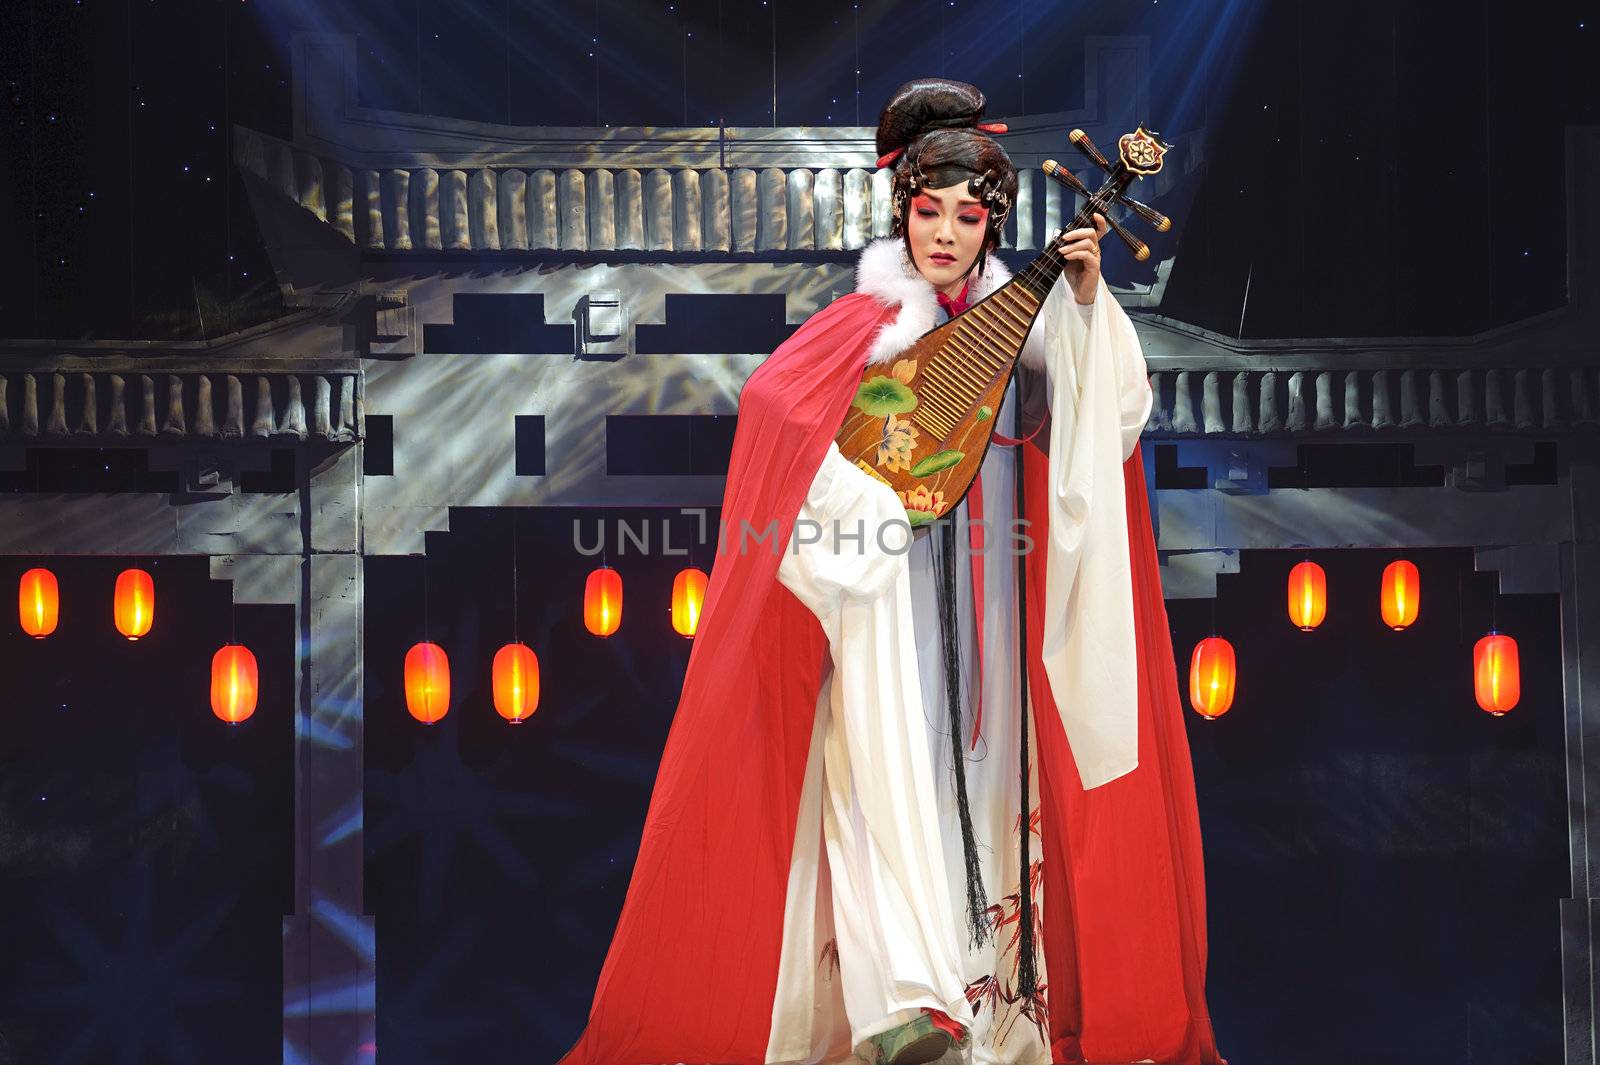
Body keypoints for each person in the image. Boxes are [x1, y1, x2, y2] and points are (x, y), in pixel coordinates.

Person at [558, 78, 1225, 1065]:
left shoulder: (1029, 326)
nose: (946, 234)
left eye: (968, 216)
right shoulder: (864, 329)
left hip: (995, 607)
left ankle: (991, 1014)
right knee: (877, 787)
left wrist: (1085, 301)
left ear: (994, 223)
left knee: (991, 796)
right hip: (884, 614)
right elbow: (779, 416)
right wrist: (866, 497)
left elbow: (1107, 423)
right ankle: (905, 1005)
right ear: (901, 215)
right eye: (928, 213)